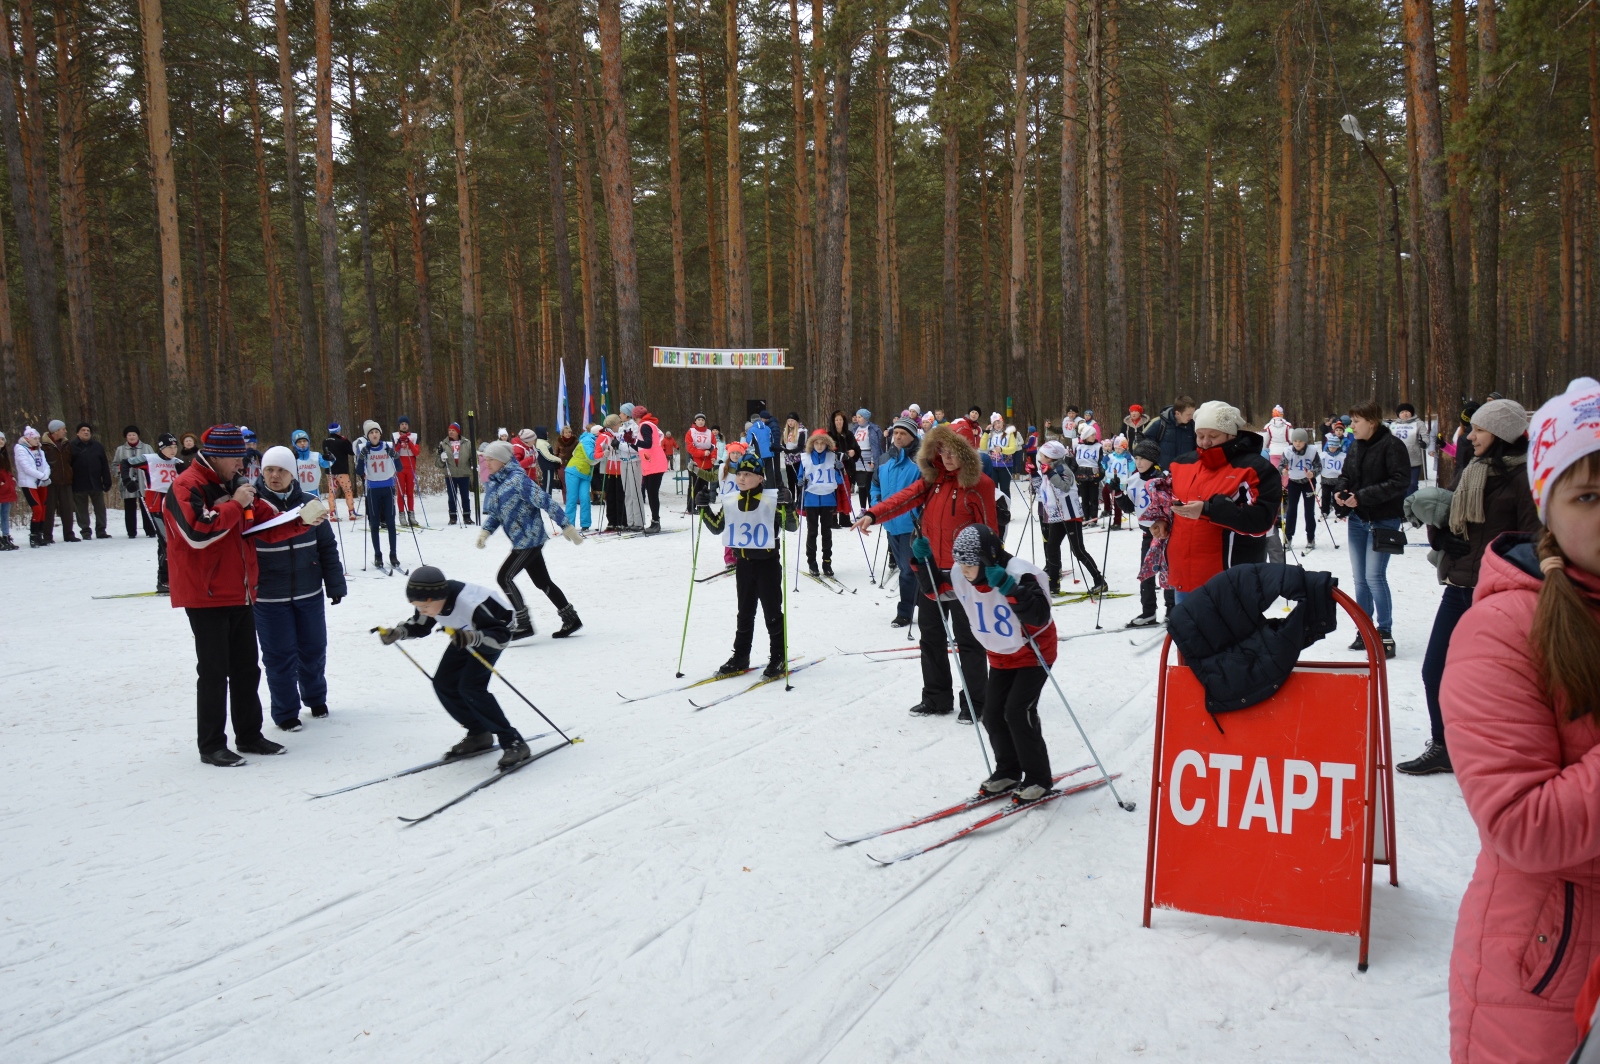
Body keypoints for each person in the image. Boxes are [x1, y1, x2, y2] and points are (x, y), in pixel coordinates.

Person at [1440, 376, 1600, 1064]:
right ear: (1548, 505)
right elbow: (1521, 824)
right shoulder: (1504, 629)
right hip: (1550, 976)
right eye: (1589, 496)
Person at [165, 424, 328, 766]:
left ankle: (249, 735)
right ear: (217, 456)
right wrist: (235, 505)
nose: (242, 464)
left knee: (246, 669)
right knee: (214, 672)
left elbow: (266, 525)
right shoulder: (186, 485)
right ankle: (211, 745)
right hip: (206, 594)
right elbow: (197, 532)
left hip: (241, 591)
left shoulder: (236, 485)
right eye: (236, 458)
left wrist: (304, 521)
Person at [1399, 398, 1540, 777]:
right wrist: (1442, 537)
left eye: (1479, 430)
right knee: (1435, 669)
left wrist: (1498, 561)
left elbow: (1533, 542)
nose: (1470, 436)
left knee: (1497, 683)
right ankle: (1443, 746)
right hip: (1459, 586)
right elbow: (1447, 515)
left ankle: (1502, 754)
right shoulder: (1473, 468)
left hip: (1500, 596)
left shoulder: (1526, 478)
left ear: (1501, 433)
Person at [856, 423, 997, 721]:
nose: (947, 457)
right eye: (942, 451)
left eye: (954, 451)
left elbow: (989, 533)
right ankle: (936, 697)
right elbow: (902, 498)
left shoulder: (980, 484)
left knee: (968, 641)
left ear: (966, 453)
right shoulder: (932, 480)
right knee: (930, 638)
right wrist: (872, 513)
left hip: (964, 576)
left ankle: (976, 702)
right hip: (931, 572)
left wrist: (987, 573)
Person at [376, 565, 534, 769]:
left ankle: (513, 742)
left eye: (423, 607)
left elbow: (501, 637)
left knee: (471, 687)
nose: (421, 611)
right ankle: (479, 733)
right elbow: (421, 624)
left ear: (437, 598)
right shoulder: (431, 601)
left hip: (491, 634)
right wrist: (398, 632)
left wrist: (473, 637)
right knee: (443, 683)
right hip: (463, 633)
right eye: (417, 606)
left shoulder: (471, 604)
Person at [949, 523, 1058, 804]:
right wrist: (920, 563)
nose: (964, 571)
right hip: (1000, 654)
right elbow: (937, 591)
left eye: (970, 565)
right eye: (961, 564)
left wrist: (1011, 588)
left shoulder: (1020, 573)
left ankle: (1038, 779)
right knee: (993, 713)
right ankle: (1008, 771)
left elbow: (1039, 614)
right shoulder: (965, 575)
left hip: (1033, 652)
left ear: (987, 559)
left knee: (1018, 712)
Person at [255, 445, 347, 731]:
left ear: (293, 473)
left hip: (309, 592)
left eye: (281, 470)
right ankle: (285, 712)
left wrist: (335, 583)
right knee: (279, 655)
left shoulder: (310, 502)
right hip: (269, 597)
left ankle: (315, 698)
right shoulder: (253, 505)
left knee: (313, 649)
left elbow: (327, 546)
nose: (274, 476)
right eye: (269, 470)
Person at [695, 449, 798, 678]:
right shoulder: (732, 500)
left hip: (767, 564)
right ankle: (741, 655)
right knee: (744, 613)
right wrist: (703, 507)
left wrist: (788, 504)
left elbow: (791, 526)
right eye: (739, 474)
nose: (741, 478)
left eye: (747, 474)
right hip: (743, 565)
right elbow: (717, 527)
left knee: (772, 613)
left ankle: (778, 656)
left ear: (760, 478)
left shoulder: (771, 499)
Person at [1165, 400, 1281, 602]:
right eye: (1200, 435)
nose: (1205, 442)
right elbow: (1165, 501)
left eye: (1213, 436)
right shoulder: (1180, 464)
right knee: (1187, 623)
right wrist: (1161, 521)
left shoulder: (1255, 469)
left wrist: (1209, 510)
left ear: (1230, 435)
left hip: (1230, 581)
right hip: (1184, 576)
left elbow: (1262, 521)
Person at [478, 439, 585, 640]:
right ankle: (571, 618)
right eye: (486, 460)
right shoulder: (497, 483)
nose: (487, 463)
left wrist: (566, 526)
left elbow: (546, 502)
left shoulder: (518, 480)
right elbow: (497, 514)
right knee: (542, 581)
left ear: (502, 460)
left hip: (529, 539)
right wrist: (486, 532)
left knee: (504, 578)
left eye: (491, 459)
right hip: (522, 540)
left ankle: (524, 623)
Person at [1331, 400, 1411, 658]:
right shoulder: (1355, 446)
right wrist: (1340, 492)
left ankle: (1384, 633)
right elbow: (1345, 475)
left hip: (1382, 520)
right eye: (1352, 421)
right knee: (1360, 579)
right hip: (1357, 520)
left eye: (1356, 421)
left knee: (1374, 576)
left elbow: (1400, 481)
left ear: (1372, 422)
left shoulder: (1392, 446)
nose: (1351, 426)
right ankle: (1364, 630)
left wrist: (1362, 496)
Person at [1033, 439, 1106, 596]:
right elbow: (1040, 489)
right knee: (1052, 547)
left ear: (1051, 457)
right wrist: (1033, 473)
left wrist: (1050, 473)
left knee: (1078, 550)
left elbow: (1064, 487)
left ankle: (1099, 580)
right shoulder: (1049, 469)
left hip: (1070, 515)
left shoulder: (1063, 469)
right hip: (1057, 516)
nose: (1040, 458)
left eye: (1043, 455)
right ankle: (1053, 584)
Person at [870, 416, 923, 628]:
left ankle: (905, 612)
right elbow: (875, 485)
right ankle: (921, 602)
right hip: (890, 524)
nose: (898, 436)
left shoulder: (921, 460)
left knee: (908, 570)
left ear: (912, 436)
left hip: (912, 525)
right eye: (896, 433)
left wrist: (920, 515)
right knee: (905, 567)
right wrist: (877, 506)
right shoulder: (884, 459)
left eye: (903, 433)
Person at [1123, 439, 1175, 626]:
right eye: (1136, 458)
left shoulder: (1164, 478)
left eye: (1142, 458)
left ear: (1152, 459)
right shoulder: (1133, 480)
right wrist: (1118, 494)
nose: (1138, 462)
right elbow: (1129, 507)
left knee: (1168, 572)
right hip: (1147, 533)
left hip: (1166, 533)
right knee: (1146, 573)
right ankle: (1148, 612)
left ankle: (1172, 609)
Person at [125, 432, 184, 592]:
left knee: (173, 541)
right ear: (161, 447)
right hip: (156, 506)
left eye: (175, 447)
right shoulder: (149, 459)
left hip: (173, 506)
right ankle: (164, 580)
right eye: (169, 447)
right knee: (166, 541)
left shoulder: (177, 462)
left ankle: (172, 578)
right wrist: (127, 481)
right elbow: (125, 463)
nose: (173, 451)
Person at [355, 420, 402, 570]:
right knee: (374, 523)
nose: (374, 435)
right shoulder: (364, 449)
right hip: (373, 489)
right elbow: (358, 471)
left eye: (376, 432)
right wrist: (361, 457)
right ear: (367, 436)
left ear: (380, 434)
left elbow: (399, 468)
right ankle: (378, 555)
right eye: (371, 433)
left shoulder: (388, 447)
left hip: (388, 487)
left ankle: (393, 554)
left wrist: (395, 456)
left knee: (390, 522)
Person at [799, 428, 843, 577]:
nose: (819, 446)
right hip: (811, 499)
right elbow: (800, 476)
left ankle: (827, 562)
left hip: (827, 499)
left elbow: (839, 481)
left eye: (822, 443)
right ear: (812, 444)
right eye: (816, 443)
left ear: (827, 444)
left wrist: (840, 470)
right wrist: (800, 482)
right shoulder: (805, 458)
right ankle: (812, 562)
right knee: (812, 532)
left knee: (826, 532)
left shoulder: (832, 457)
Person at [69, 422, 112, 540]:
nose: (86, 432)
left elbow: (104, 465)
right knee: (81, 510)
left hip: (96, 482)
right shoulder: (71, 446)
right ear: (77, 433)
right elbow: (68, 466)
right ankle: (85, 531)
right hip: (78, 483)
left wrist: (107, 480)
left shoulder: (98, 446)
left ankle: (101, 530)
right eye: (83, 430)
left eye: (88, 430)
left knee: (100, 508)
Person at [112, 426, 157, 538]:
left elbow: (154, 462)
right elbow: (115, 464)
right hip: (128, 482)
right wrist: (120, 473)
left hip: (144, 482)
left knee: (146, 507)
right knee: (129, 507)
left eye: (134, 435)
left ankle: (150, 530)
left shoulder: (147, 447)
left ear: (138, 436)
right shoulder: (120, 449)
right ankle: (131, 532)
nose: (132, 437)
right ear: (126, 437)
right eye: (129, 435)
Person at [1281, 428, 1322, 551]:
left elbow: (1319, 467)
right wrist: (1283, 471)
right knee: (1291, 510)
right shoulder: (1288, 451)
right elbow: (1281, 465)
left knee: (1309, 511)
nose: (1297, 443)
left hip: (1308, 483)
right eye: (1295, 441)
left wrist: (1313, 473)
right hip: (1293, 483)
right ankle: (1288, 538)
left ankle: (1310, 538)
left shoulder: (1312, 451)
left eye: (1300, 441)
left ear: (1305, 441)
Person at [632, 404, 667, 532]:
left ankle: (656, 522)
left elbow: (648, 443)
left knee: (652, 494)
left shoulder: (645, 425)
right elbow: (641, 446)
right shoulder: (648, 424)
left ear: (637, 417)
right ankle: (654, 521)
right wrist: (630, 442)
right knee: (650, 493)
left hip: (654, 463)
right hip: (650, 463)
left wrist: (633, 441)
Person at [15, 426, 51, 547]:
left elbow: (46, 465)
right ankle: (33, 536)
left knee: (43, 508)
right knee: (37, 509)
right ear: (27, 439)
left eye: (38, 438)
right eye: (34, 438)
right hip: (29, 483)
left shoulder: (40, 450)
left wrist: (45, 476)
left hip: (42, 482)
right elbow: (26, 468)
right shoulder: (21, 449)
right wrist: (42, 476)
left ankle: (40, 534)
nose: (37, 441)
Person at [1143, 397, 1197, 471]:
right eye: (1188, 414)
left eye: (1193, 414)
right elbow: (1145, 444)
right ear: (1177, 413)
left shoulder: (1194, 426)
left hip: (1186, 472)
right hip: (1163, 472)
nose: (1191, 417)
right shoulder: (1160, 423)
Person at [42, 420, 75, 542]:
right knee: (49, 510)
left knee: (67, 509)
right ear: (56, 431)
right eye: (63, 429)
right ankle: (47, 536)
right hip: (50, 482)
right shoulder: (44, 446)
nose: (65, 431)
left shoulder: (67, 444)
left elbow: (70, 460)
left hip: (66, 480)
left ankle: (69, 534)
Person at [1388, 402, 1428, 497]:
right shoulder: (1393, 425)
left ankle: (1411, 501)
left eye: (1407, 411)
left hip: (1413, 459)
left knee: (1412, 483)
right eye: (1402, 412)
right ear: (1398, 414)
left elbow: (1425, 436)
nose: (1405, 414)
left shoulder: (1418, 423)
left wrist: (1424, 443)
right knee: (1399, 483)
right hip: (1397, 460)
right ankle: (1400, 502)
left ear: (1411, 412)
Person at [438, 423, 474, 524]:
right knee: (452, 497)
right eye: (449, 430)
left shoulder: (467, 443)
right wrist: (441, 459)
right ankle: (453, 517)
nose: (451, 432)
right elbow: (438, 463)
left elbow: (472, 456)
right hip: (450, 474)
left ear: (458, 431)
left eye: (453, 430)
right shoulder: (443, 444)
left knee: (465, 496)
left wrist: (474, 465)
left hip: (464, 473)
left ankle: (467, 517)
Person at [828, 410, 859, 527]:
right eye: (836, 420)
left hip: (847, 468)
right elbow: (827, 452)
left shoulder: (849, 434)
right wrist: (839, 455)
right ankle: (833, 519)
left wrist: (853, 452)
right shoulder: (829, 435)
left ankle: (845, 518)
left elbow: (857, 449)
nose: (838, 422)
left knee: (846, 494)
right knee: (835, 493)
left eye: (840, 420)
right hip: (834, 469)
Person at [563, 423, 597, 530]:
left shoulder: (594, 441)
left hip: (585, 473)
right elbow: (591, 457)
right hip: (574, 470)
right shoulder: (587, 440)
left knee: (585, 497)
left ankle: (585, 524)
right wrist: (603, 454)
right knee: (572, 498)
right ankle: (569, 525)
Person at [321, 422, 357, 521]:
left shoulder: (325, 441)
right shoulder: (342, 441)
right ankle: (352, 512)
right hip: (342, 470)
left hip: (330, 470)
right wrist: (347, 441)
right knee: (347, 491)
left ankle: (332, 513)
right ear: (338, 430)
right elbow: (352, 452)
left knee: (332, 492)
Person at [1072, 421, 1104, 523]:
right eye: (1092, 435)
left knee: (1093, 498)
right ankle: (1085, 516)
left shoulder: (1098, 446)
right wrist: (1072, 473)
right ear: (1086, 436)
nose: (1095, 436)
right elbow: (1075, 462)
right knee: (1084, 498)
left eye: (1095, 434)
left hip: (1094, 474)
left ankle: (1093, 518)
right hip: (1081, 475)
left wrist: (1101, 474)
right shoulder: (1079, 447)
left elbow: (1101, 462)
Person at [1103, 435, 1136, 530]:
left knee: (1117, 502)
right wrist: (1104, 462)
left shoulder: (1127, 457)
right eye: (1116, 448)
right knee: (1104, 492)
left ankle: (1117, 522)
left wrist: (1130, 461)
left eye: (1120, 448)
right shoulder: (1111, 456)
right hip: (1110, 480)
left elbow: (1132, 469)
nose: (1117, 450)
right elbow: (1105, 467)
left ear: (1124, 448)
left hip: (1121, 482)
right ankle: (1107, 509)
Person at [393, 416, 421, 527]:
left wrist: (409, 442)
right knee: (401, 492)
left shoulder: (414, 436)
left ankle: (411, 515)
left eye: (406, 424)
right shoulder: (395, 436)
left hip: (411, 467)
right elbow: (394, 452)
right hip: (400, 467)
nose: (404, 426)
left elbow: (416, 452)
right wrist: (399, 443)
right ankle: (401, 515)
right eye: (402, 424)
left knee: (410, 493)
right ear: (399, 425)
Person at [290, 429, 332, 498]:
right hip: (297, 492)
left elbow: (326, 464)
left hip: (313, 491)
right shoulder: (292, 457)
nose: (302, 443)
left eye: (304, 441)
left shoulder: (316, 455)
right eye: (299, 442)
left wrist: (330, 458)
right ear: (294, 444)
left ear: (308, 442)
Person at [1318, 432, 1348, 517]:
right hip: (1326, 479)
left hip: (1337, 480)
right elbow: (1318, 466)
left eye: (1334, 447)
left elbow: (1345, 467)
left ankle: (1339, 511)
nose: (1332, 449)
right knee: (1325, 496)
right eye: (1330, 447)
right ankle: (1325, 511)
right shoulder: (1323, 455)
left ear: (1338, 446)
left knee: (1337, 496)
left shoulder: (1343, 456)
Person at [779, 412, 806, 495]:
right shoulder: (786, 431)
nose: (790, 423)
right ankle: (791, 497)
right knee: (790, 480)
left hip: (797, 459)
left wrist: (791, 452)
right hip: (788, 459)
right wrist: (782, 448)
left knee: (797, 479)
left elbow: (801, 446)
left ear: (796, 421)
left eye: (792, 421)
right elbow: (784, 444)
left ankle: (799, 497)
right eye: (788, 421)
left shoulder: (801, 431)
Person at [0, 431, 15, 550]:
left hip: (6, 490)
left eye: (2, 439)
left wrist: (11, 479)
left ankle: (6, 536)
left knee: (5, 515)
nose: (1, 441)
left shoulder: (4, 455)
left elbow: (7, 471)